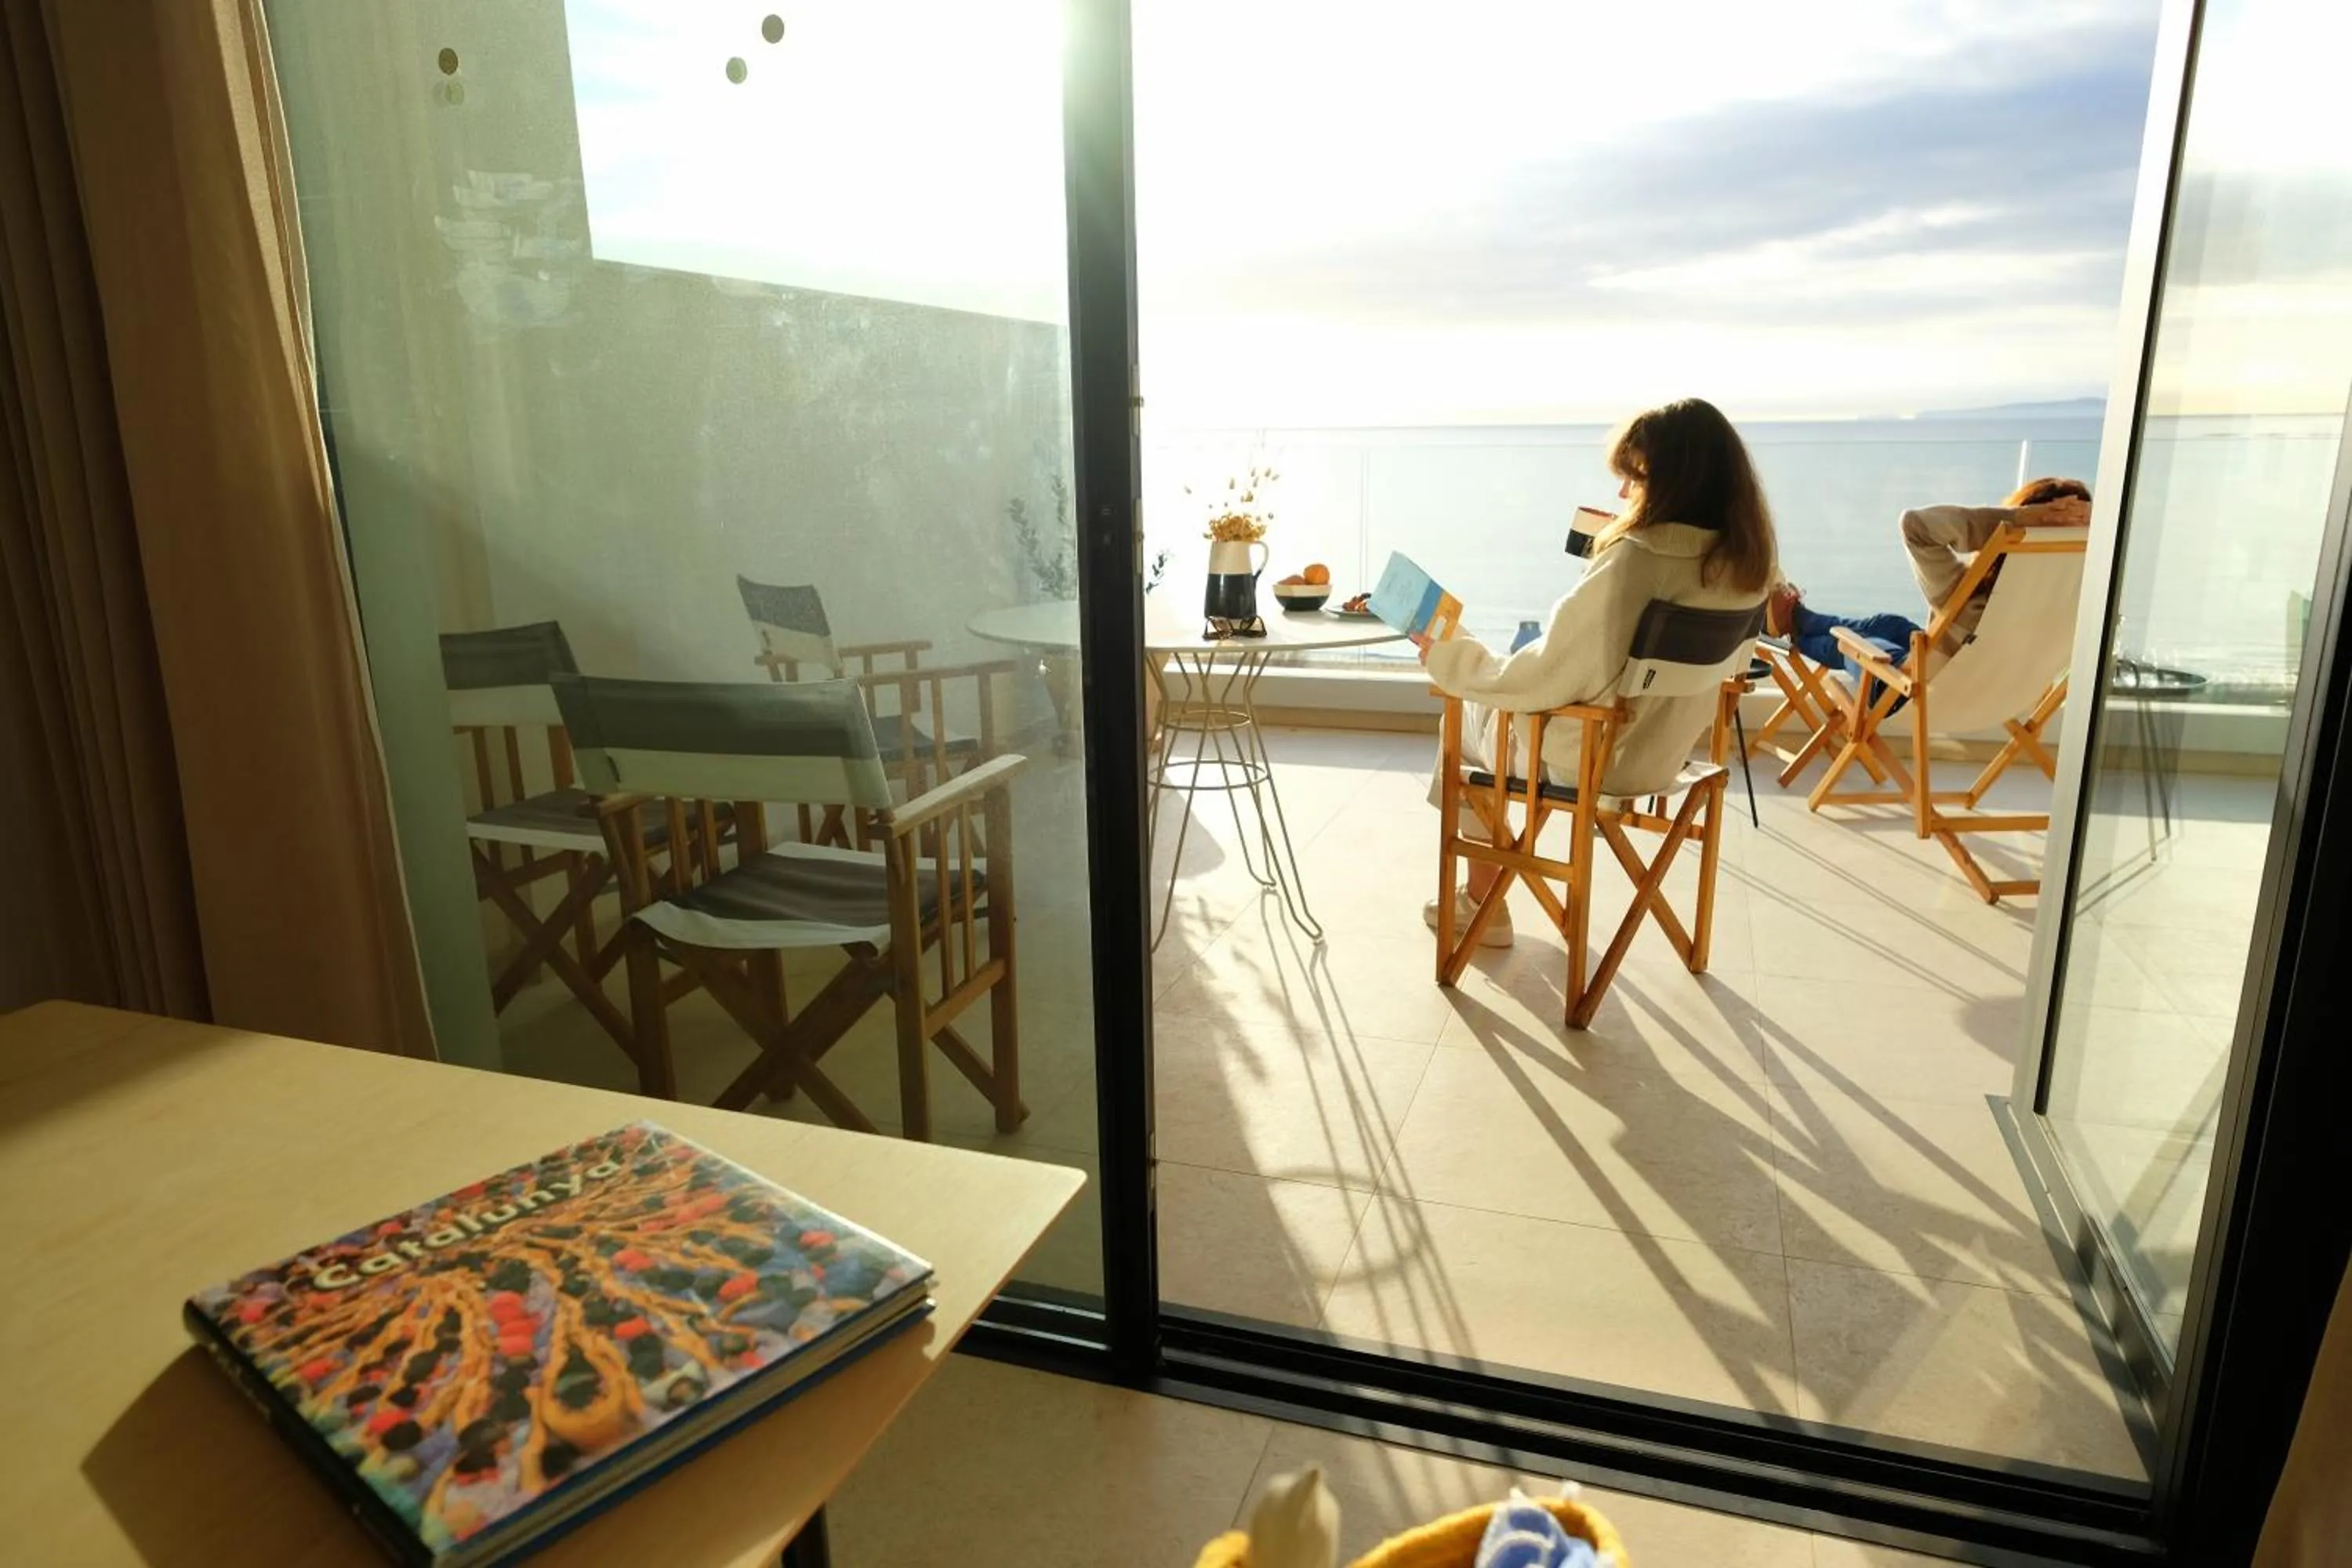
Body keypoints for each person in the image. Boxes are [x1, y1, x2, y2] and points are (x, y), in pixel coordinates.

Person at [1421, 397, 1778, 947]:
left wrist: (1450, 654)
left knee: (1463, 714)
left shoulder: (1634, 561)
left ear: (1674, 482)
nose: (1621, 494)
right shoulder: (1754, 563)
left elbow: (1541, 678)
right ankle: (1483, 904)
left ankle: (1482, 906)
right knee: (1487, 695)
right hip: (1665, 756)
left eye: (1634, 477)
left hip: (1588, 759)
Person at [1768, 477, 2093, 681]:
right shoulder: (2079, 607)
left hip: (1911, 691)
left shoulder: (1967, 600)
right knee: (1891, 624)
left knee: (1852, 645)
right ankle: (1798, 617)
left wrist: (2018, 520)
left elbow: (1916, 526)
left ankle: (1793, 628)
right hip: (2002, 694)